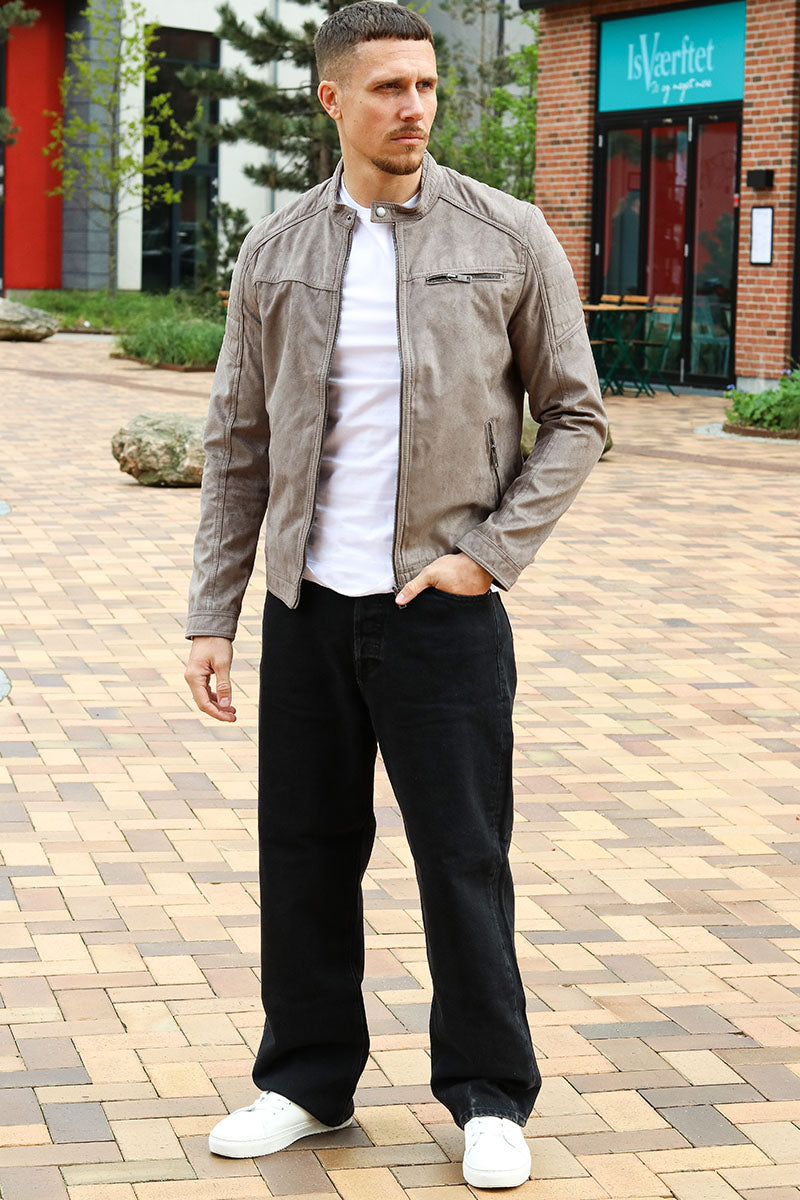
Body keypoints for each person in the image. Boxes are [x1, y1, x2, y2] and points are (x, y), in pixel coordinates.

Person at [184, 2, 607, 1189]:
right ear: (332, 99)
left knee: (462, 858)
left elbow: (576, 416)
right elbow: (237, 444)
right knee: (304, 853)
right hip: (307, 605)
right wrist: (212, 615)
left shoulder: (506, 233)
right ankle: (306, 1081)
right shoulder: (275, 251)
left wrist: (488, 556)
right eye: (387, 88)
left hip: (442, 608)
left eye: (424, 85)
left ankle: (489, 1095)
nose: (413, 107)